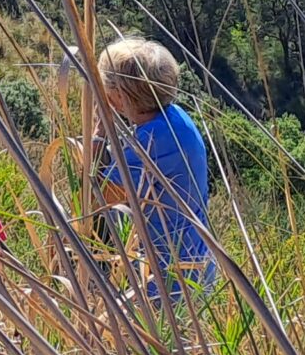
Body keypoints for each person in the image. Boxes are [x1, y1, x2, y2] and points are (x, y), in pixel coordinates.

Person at [93, 37, 216, 300]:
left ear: (118, 96)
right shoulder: (175, 117)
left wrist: (98, 134)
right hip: (195, 259)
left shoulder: (149, 142)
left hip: (169, 275)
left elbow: (101, 200)